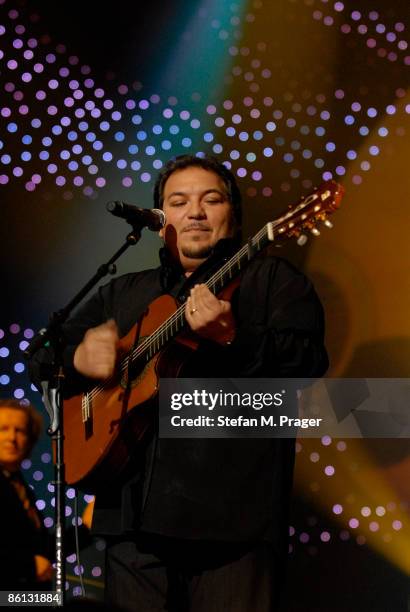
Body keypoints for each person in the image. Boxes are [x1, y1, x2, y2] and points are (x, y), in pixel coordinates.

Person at [30, 155, 328, 611]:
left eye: (211, 199)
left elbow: (308, 363)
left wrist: (234, 337)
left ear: (235, 214)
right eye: (178, 201)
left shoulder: (272, 280)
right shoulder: (124, 292)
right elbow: (41, 356)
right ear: (158, 221)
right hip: (130, 523)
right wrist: (77, 357)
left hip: (233, 523)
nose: (195, 212)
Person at [0, 399, 53, 589]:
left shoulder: (19, 484)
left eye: (20, 430)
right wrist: (28, 566)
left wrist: (85, 530)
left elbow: (40, 548)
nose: (12, 438)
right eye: (3, 429)